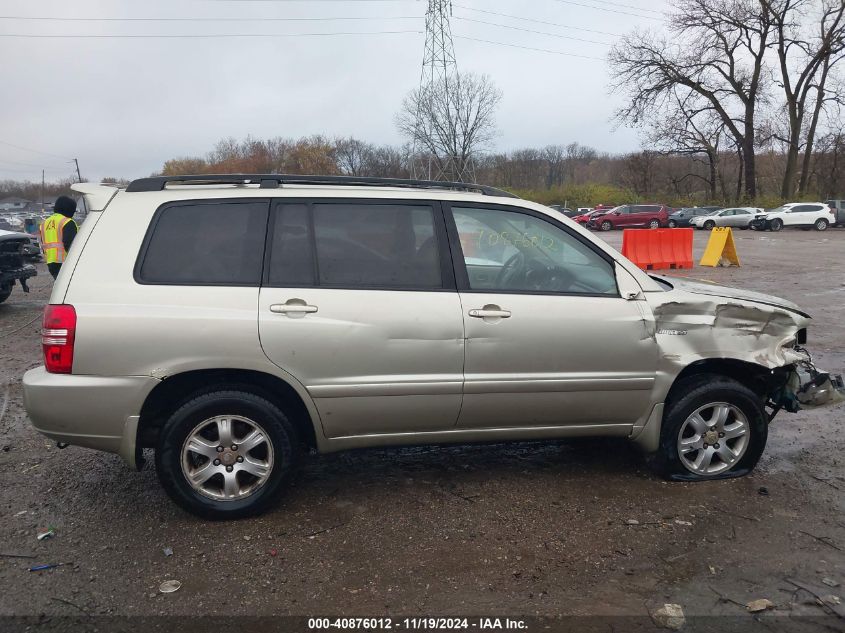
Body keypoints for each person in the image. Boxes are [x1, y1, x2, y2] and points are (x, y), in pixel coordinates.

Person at [40, 196, 79, 280]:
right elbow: (70, 244)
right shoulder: (67, 222)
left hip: (51, 262)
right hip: (65, 262)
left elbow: (44, 243)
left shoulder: (44, 223)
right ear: (68, 209)